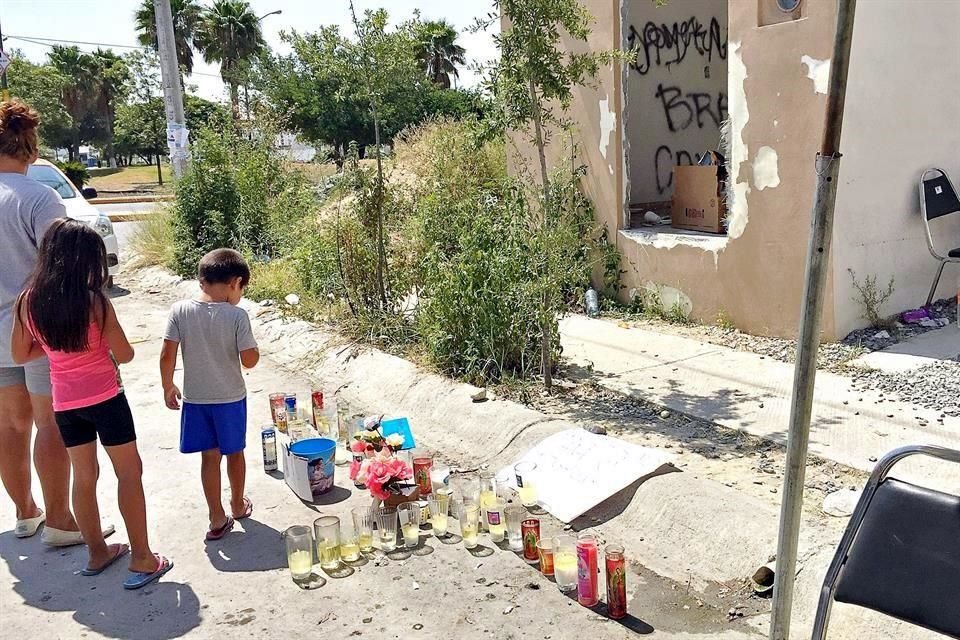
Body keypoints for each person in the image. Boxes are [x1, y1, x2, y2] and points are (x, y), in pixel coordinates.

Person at [12, 219, 171, 589]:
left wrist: (54, 347)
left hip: (65, 404)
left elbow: (20, 353)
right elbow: (126, 354)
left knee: (84, 478)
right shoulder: (95, 302)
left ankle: (97, 553)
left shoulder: (28, 301)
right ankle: (143, 559)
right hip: (107, 399)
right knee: (129, 473)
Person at [0, 99, 83, 544]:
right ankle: (60, 521)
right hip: (37, 330)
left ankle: (24, 512)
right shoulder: (39, 197)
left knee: (10, 425)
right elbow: (64, 268)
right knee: (48, 422)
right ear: (29, 145)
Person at [160, 248, 260, 541]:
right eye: (241, 288)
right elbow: (249, 360)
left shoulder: (180, 310)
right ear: (234, 282)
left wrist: (168, 385)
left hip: (196, 400)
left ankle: (216, 516)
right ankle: (237, 504)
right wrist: (253, 349)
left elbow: (167, 354)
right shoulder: (237, 316)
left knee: (209, 458)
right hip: (229, 399)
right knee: (235, 453)